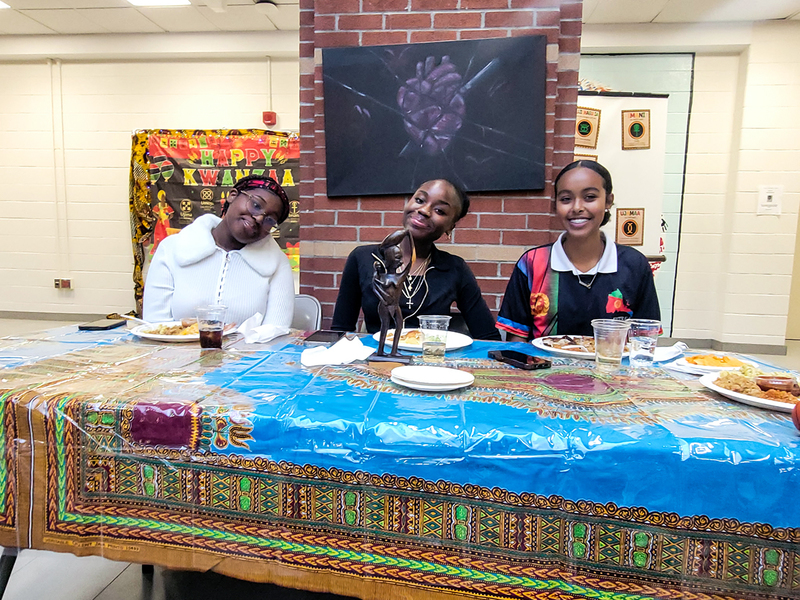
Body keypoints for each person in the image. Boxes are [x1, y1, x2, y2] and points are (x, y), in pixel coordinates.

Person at [497, 160, 660, 341]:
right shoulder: (532, 263)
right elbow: (516, 340)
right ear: (555, 205)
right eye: (566, 199)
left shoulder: (634, 264)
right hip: (543, 367)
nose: (576, 207)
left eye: (590, 197)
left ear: (608, 201)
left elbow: (646, 338)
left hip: (612, 368)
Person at [331, 179, 500, 340]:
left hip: (430, 362)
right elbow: (340, 330)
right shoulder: (364, 258)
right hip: (376, 362)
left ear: (450, 226)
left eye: (439, 211)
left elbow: (488, 337)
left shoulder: (454, 268)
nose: (424, 211)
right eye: (419, 200)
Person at [143, 175, 294, 327]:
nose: (259, 218)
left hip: (248, 351)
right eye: (256, 205)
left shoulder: (277, 264)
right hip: (174, 349)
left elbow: (275, 332)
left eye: (269, 220)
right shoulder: (171, 249)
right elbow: (155, 325)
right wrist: (192, 333)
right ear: (232, 196)